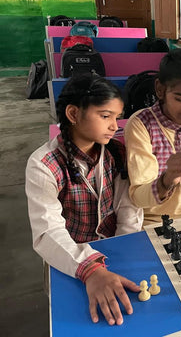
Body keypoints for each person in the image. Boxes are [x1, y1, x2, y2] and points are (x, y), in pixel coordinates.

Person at [25, 74, 144, 326]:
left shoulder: (115, 152)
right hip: (69, 257)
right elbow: (48, 232)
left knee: (127, 316)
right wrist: (89, 269)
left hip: (115, 251)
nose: (115, 125)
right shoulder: (44, 165)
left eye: (117, 117)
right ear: (73, 114)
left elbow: (128, 207)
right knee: (79, 322)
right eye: (105, 116)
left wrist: (124, 248)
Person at [124, 48, 181, 225]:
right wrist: (166, 181)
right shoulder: (141, 124)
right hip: (154, 222)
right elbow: (138, 197)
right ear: (160, 89)